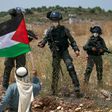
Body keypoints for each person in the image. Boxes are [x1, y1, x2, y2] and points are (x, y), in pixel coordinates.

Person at [38, 11, 82, 97]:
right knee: (55, 71)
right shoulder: (49, 31)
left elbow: (72, 40)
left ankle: (77, 87)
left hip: (64, 51)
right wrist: (41, 44)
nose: (55, 22)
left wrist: (76, 49)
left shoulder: (64, 30)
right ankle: (54, 90)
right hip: (55, 53)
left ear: (59, 21)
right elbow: (45, 40)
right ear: (51, 21)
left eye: (56, 20)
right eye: (53, 20)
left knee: (70, 66)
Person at [2, 8, 38, 90]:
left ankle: (20, 86)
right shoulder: (8, 26)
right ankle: (5, 86)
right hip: (11, 50)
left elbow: (27, 38)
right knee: (8, 68)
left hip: (20, 50)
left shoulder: (23, 27)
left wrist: (29, 38)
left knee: (20, 68)